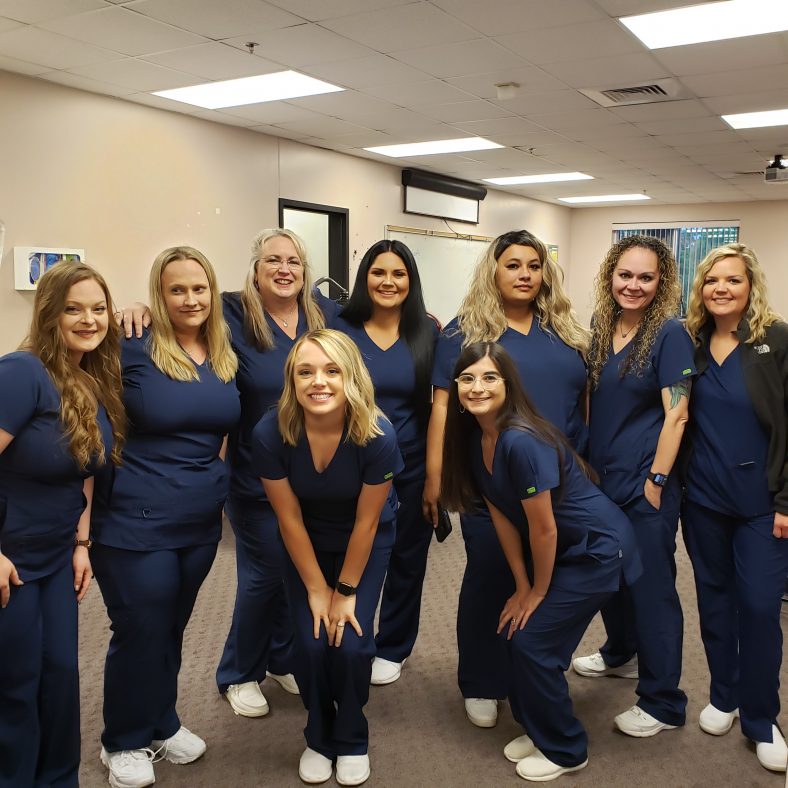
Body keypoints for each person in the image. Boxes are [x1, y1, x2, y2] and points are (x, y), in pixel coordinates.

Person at [121, 229, 337, 717]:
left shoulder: (324, 315)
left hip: (317, 476)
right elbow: (180, 301)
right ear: (254, 270)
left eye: (294, 262)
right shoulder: (232, 312)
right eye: (271, 261)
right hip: (256, 476)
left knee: (300, 573)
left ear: (305, 270)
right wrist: (135, 307)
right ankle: (238, 671)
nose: (284, 270)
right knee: (262, 575)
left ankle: (281, 658)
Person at [441, 342, 640, 782]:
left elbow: (543, 530)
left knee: (534, 644)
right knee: (517, 630)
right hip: (567, 548)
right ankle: (537, 727)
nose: (477, 387)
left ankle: (566, 748)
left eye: (489, 377)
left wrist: (538, 591)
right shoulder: (478, 439)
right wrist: (519, 584)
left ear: (508, 384)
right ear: (455, 387)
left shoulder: (520, 440)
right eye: (467, 378)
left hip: (598, 550)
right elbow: (502, 518)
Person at [424, 229, 589, 727]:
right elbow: (441, 406)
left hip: (560, 479)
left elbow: (581, 401)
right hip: (490, 480)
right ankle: (480, 680)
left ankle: (533, 673)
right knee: (490, 577)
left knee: (549, 581)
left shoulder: (565, 330)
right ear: (493, 271)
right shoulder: (464, 332)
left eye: (534, 266)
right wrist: (436, 478)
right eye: (513, 264)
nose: (524, 274)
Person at [91, 247, 240, 788]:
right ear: (159, 293)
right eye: (177, 289)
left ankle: (161, 720)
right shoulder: (131, 342)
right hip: (135, 514)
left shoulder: (223, 351)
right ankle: (122, 740)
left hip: (200, 518)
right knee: (140, 625)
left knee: (171, 626)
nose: (190, 299)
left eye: (199, 288)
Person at [254, 329, 403, 786]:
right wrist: (318, 589)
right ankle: (318, 734)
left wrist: (345, 591)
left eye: (331, 370)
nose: (318, 381)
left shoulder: (378, 434)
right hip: (306, 541)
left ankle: (352, 734)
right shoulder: (270, 432)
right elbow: (289, 520)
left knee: (355, 643)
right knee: (312, 641)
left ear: (350, 377)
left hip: (366, 541)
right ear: (292, 380)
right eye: (305, 371)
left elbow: (367, 524)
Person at [0, 262, 125, 788]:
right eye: (74, 308)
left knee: (61, 677)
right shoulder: (21, 372)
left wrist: (81, 542)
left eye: (98, 309)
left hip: (55, 554)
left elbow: (87, 468)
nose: (88, 319)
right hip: (11, 556)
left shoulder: (88, 380)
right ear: (50, 313)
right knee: (16, 684)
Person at [572, 234, 694, 737]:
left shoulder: (669, 334)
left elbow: (678, 414)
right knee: (607, 576)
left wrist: (657, 481)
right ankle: (620, 651)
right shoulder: (602, 325)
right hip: (601, 481)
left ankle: (664, 700)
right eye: (626, 274)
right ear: (610, 276)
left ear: (661, 281)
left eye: (646, 277)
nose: (634, 285)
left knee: (652, 590)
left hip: (646, 485)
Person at [681, 243, 788, 772]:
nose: (721, 289)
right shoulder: (692, 343)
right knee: (715, 599)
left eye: (733, 281)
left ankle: (762, 717)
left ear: (751, 287)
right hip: (703, 501)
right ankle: (724, 695)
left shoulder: (776, 339)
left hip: (763, 505)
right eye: (711, 281)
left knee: (762, 607)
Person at [335, 239, 438, 686]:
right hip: (348, 466)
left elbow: (438, 406)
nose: (388, 282)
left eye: (399, 274)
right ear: (365, 278)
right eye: (379, 272)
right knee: (348, 554)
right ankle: (346, 632)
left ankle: (393, 645)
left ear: (411, 282)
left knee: (407, 559)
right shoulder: (340, 327)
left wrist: (436, 477)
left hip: (410, 466)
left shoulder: (426, 332)